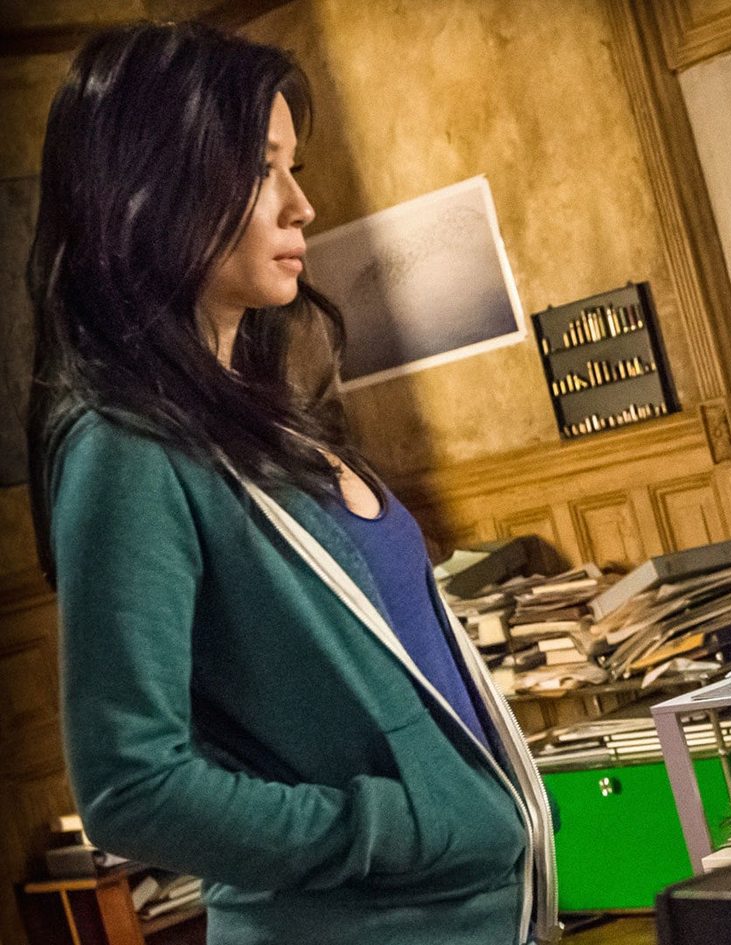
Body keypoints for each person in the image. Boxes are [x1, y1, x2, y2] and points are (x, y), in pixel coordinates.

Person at [26, 23, 558, 944]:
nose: (301, 205)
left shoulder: (254, 409)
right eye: (261, 168)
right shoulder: (125, 445)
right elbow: (131, 786)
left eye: (293, 167)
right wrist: (397, 827)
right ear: (155, 183)